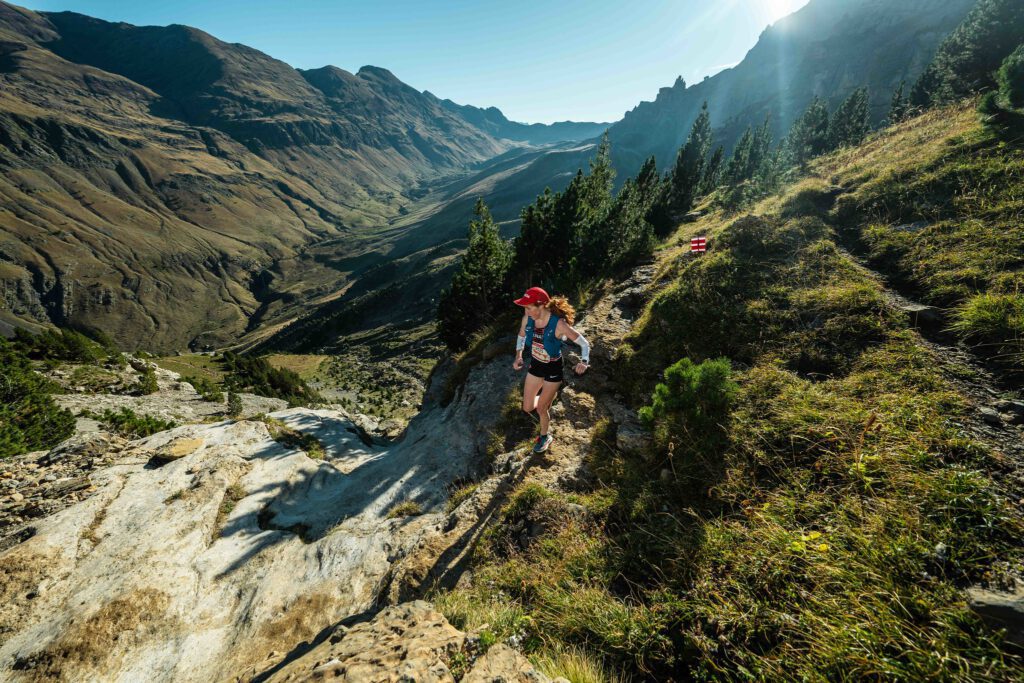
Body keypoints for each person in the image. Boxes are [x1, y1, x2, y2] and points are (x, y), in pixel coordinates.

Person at [512, 286, 591, 453]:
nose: (526, 311)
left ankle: (544, 436)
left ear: (541, 305)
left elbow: (584, 344)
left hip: (553, 369)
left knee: (541, 409)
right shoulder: (528, 318)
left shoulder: (559, 324)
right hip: (536, 365)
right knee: (527, 407)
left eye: (529, 307)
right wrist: (518, 355)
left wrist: (584, 361)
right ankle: (548, 396)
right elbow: (521, 336)